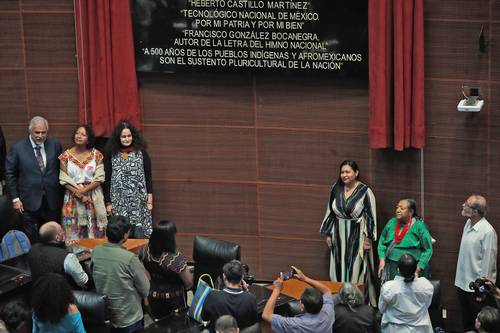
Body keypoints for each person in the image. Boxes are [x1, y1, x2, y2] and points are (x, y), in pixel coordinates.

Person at [319, 160, 377, 305]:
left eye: (348, 172)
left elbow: (371, 216)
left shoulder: (365, 191)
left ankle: (355, 302)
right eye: (342, 172)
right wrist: (328, 234)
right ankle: (339, 301)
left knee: (354, 270)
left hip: (356, 236)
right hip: (337, 234)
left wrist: (368, 239)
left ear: (356, 173)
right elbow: (330, 212)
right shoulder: (336, 188)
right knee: (337, 269)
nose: (344, 175)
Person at [5, 116, 63, 243]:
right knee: (31, 238)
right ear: (30, 131)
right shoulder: (17, 148)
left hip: (51, 200)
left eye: (44, 132)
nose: (40, 136)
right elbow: (10, 174)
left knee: (52, 236)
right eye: (37, 132)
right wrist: (15, 199)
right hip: (28, 200)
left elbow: (60, 170)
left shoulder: (55, 145)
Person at [91, 215, 150, 332]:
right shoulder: (129, 258)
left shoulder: (96, 251)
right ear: (125, 235)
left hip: (106, 314)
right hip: (129, 317)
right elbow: (145, 289)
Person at [455, 195, 497, 332]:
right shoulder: (468, 223)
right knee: (466, 323)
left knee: (478, 326)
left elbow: (489, 263)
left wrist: (482, 292)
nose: (462, 205)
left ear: (475, 212)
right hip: (462, 284)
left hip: (476, 291)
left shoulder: (487, 231)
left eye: (466, 204)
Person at [104, 122, 153, 238]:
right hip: (119, 200)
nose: (127, 139)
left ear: (133, 136)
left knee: (139, 234)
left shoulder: (141, 152)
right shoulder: (112, 154)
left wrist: (149, 199)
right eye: (123, 136)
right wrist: (108, 202)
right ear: (118, 138)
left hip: (139, 200)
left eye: (129, 136)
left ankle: (138, 255)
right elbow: (107, 179)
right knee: (121, 233)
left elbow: (148, 176)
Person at [59, 125, 107, 240]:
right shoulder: (65, 156)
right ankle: (75, 256)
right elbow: (63, 179)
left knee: (94, 231)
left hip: (92, 197)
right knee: (74, 230)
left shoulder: (97, 155)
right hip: (72, 198)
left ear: (89, 138)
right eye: (77, 133)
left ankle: (94, 255)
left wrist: (83, 192)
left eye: (83, 134)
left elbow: (100, 178)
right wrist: (78, 193)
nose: (79, 136)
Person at [138, 220, 193, 319]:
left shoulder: (144, 250)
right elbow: (189, 282)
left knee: (159, 325)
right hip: (173, 300)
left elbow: (145, 273)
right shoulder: (175, 258)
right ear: (169, 238)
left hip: (153, 296)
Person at [262, 266, 335, 333]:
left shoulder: (296, 324)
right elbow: (327, 290)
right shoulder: (328, 312)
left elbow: (266, 315)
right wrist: (305, 278)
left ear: (302, 306)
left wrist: (277, 289)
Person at [378, 198, 433, 282]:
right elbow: (382, 242)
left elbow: (428, 249)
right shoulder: (391, 222)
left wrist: (419, 267)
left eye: (402, 208)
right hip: (394, 265)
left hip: (414, 266)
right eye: (397, 207)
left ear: (411, 212)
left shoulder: (419, 226)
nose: (398, 210)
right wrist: (382, 259)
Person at [378, 254, 434, 333]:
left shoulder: (388, 288)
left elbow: (381, 309)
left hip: (394, 329)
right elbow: (427, 305)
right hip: (421, 329)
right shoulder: (426, 286)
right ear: (416, 269)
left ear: (398, 270)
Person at [201, 260, 258, 333]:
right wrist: (246, 291)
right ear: (242, 278)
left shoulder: (212, 296)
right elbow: (253, 323)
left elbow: (205, 319)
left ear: (224, 276)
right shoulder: (251, 299)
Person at [27, 221, 89, 288]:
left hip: (39, 292)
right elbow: (83, 282)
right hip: (63, 295)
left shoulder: (32, 249)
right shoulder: (67, 257)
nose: (63, 232)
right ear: (57, 238)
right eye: (61, 230)